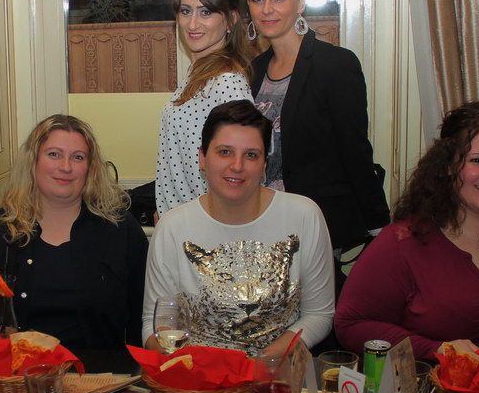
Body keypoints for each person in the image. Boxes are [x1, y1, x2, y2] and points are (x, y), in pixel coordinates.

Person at [333, 102, 479, 360]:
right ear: (448, 165)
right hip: (439, 382)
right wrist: (437, 350)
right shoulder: (403, 243)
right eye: (477, 160)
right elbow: (350, 324)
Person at [143, 100, 335, 357]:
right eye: (225, 152)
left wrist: (263, 363)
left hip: (277, 373)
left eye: (251, 155)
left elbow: (319, 315)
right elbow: (154, 324)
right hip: (198, 375)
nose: (237, 165)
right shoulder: (172, 228)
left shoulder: (304, 216)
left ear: (264, 164)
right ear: (202, 158)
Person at [0, 115, 148, 354]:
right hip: (14, 374)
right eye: (54, 154)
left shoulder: (121, 231)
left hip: (101, 374)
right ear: (32, 161)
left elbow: (143, 318)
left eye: (78, 157)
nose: (66, 167)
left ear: (90, 169)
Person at [245, 0, 389, 253]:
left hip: (317, 225)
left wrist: (379, 226)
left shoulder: (335, 64)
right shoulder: (253, 71)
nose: (267, 9)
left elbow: (355, 149)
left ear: (301, 1)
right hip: (262, 223)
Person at [155, 0, 252, 215]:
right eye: (186, 11)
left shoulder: (227, 83)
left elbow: (240, 169)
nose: (192, 24)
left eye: (206, 12)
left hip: (206, 225)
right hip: (180, 220)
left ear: (231, 19)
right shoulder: (198, 74)